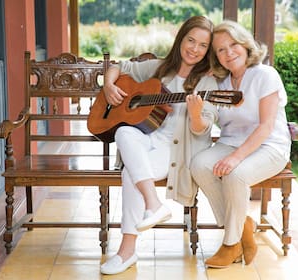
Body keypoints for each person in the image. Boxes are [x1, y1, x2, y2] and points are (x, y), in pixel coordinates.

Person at [99, 15, 218, 275]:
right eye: (191, 40)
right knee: (123, 134)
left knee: (130, 172)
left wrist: (196, 114)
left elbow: (202, 128)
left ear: (208, 50)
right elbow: (119, 67)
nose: (194, 49)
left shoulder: (208, 83)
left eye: (202, 45)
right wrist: (108, 85)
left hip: (175, 151)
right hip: (147, 138)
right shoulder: (160, 68)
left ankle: (126, 251)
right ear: (180, 39)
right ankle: (153, 204)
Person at [190, 20, 292, 268]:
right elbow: (204, 117)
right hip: (231, 143)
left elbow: (266, 126)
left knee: (236, 175)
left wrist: (236, 158)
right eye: (220, 50)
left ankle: (230, 243)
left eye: (233, 45)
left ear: (245, 45)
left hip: (269, 146)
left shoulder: (265, 74)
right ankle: (243, 226)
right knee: (199, 164)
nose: (228, 53)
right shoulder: (220, 82)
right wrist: (202, 81)